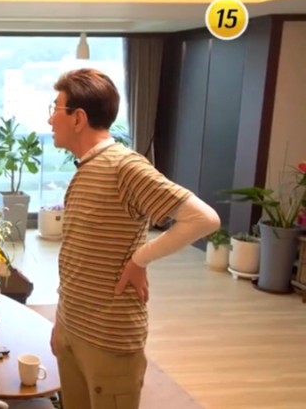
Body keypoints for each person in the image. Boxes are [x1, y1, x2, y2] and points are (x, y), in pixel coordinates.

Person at [47, 68, 220, 409]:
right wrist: (61, 323)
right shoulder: (87, 168)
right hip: (74, 328)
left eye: (55, 109)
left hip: (108, 338)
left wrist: (140, 259)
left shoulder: (125, 166)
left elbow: (203, 219)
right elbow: (77, 258)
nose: (50, 120)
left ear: (78, 118)